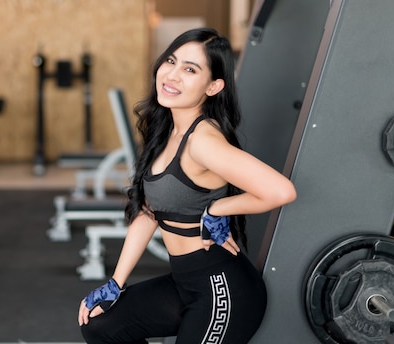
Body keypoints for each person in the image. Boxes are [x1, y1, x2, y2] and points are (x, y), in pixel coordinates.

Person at [77, 27, 297, 344]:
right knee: (101, 324)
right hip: (184, 283)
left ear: (213, 86)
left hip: (221, 289)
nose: (173, 75)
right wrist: (115, 282)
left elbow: (281, 191)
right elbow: (148, 212)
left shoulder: (202, 140)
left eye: (190, 69)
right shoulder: (166, 130)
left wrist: (218, 209)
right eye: (171, 61)